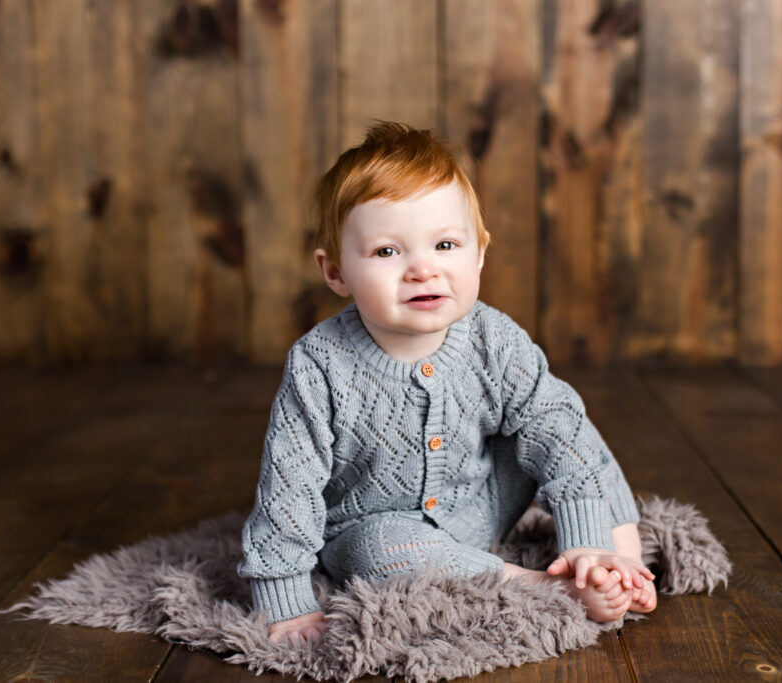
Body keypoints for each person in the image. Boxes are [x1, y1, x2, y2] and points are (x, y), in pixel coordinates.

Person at [238, 121, 657, 646]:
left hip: (481, 503)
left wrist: (586, 536)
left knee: (562, 422)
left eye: (444, 244)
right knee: (378, 548)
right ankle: (542, 588)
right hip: (375, 526)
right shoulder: (319, 365)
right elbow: (289, 487)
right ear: (336, 272)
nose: (422, 270)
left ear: (478, 252)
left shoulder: (493, 337)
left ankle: (612, 558)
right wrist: (286, 601)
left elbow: (556, 434)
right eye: (388, 252)